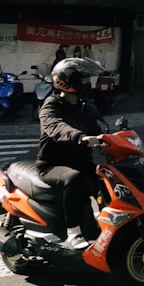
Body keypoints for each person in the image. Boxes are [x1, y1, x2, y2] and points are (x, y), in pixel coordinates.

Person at [36, 57, 105, 249]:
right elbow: (56, 127)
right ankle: (73, 234)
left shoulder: (87, 108)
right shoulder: (50, 106)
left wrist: (112, 138)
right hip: (52, 165)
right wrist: (79, 137)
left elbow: (99, 130)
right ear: (65, 81)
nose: (87, 84)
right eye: (83, 80)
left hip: (81, 161)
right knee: (73, 178)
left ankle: (110, 225)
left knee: (108, 178)